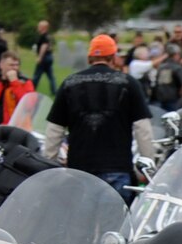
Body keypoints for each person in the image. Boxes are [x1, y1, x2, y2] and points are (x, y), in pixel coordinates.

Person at [42, 34, 154, 196]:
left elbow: (54, 130)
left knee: (80, 213)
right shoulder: (129, 84)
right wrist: (147, 167)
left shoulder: (69, 83)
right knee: (116, 213)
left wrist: (49, 166)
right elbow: (143, 129)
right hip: (117, 168)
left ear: (89, 58)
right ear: (113, 57)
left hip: (79, 170)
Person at [0, 53, 35, 126]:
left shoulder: (25, 83)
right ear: (1, 65)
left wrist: (14, 82)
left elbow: (28, 104)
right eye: (11, 65)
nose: (15, 68)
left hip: (15, 126)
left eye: (17, 65)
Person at [28, 21, 54, 95]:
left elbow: (44, 47)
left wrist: (40, 57)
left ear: (43, 28)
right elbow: (51, 46)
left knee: (37, 75)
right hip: (49, 57)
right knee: (51, 76)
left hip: (44, 58)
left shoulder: (43, 36)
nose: (38, 28)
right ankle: (54, 91)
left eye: (39, 26)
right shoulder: (48, 36)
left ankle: (31, 89)